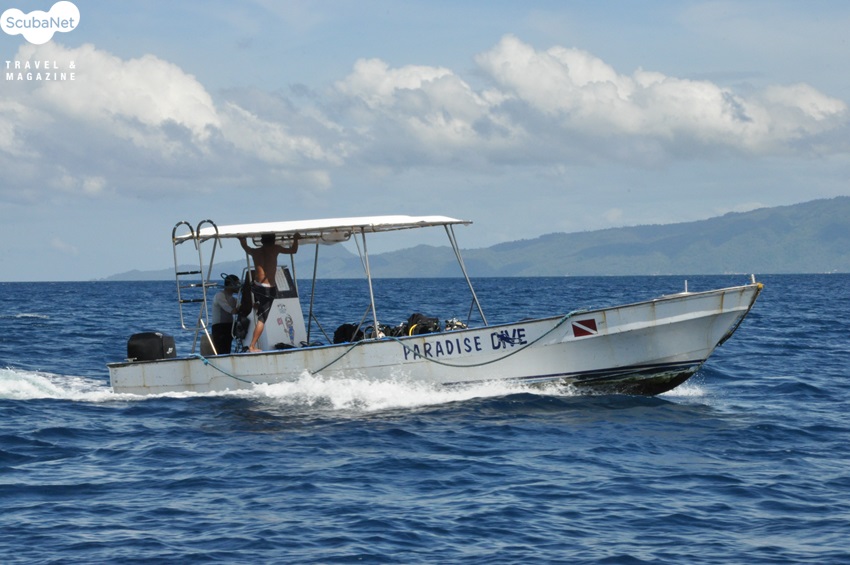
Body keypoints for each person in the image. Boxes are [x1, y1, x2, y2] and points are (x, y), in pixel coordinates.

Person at [239, 233, 300, 352]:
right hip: (268, 289)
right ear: (273, 241)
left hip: (256, 287)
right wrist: (295, 238)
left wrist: (242, 240)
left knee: (256, 294)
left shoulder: (255, 251)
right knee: (262, 319)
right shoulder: (275, 248)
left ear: (261, 241)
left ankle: (256, 303)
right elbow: (293, 250)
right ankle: (252, 346)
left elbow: (246, 248)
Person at [211, 274, 240, 354]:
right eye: (237, 284)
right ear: (230, 284)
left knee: (227, 349)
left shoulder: (234, 299)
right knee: (221, 350)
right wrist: (234, 310)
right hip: (219, 327)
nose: (238, 286)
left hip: (229, 326)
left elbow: (240, 308)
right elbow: (227, 308)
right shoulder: (219, 295)